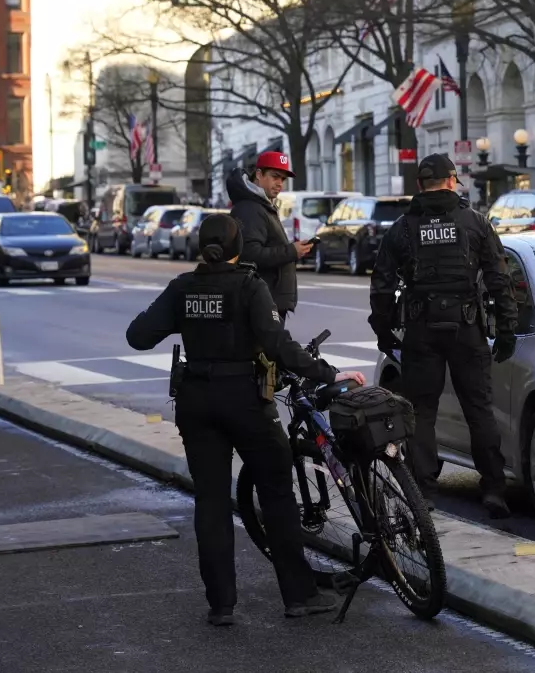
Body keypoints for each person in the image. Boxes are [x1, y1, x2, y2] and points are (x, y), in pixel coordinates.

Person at [125, 214, 365, 625]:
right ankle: (298, 595)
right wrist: (328, 373)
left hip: (196, 402)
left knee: (211, 502)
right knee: (276, 493)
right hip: (246, 401)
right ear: (238, 249)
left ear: (202, 247)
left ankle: (221, 605)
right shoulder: (250, 286)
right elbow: (279, 345)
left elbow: (138, 335)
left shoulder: (183, 287)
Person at [367, 153, 518, 519]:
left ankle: (424, 491)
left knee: (422, 413)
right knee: (479, 410)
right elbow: (500, 280)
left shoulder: (402, 228)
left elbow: (382, 284)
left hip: (421, 330)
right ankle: (494, 488)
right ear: (452, 181)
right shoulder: (475, 223)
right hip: (467, 329)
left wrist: (384, 329)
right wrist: (508, 327)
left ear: (420, 185)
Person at [227, 152, 313, 323]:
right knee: (266, 349)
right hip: (262, 300)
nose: (279, 184)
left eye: (283, 179)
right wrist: (291, 251)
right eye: (275, 177)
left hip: (268, 299)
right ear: (259, 174)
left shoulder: (262, 205)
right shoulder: (250, 208)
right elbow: (250, 254)